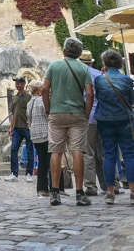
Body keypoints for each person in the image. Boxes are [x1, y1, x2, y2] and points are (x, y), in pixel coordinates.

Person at [42, 36, 93, 206]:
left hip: (56, 113)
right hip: (77, 114)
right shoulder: (84, 68)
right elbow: (90, 94)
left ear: (64, 51)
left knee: (55, 151)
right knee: (77, 151)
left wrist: (48, 110)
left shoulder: (54, 66)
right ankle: (79, 192)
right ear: (79, 53)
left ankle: (55, 192)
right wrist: (86, 113)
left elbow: (44, 89)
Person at [94, 49, 134, 206]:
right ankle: (132, 191)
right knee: (130, 155)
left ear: (105, 63)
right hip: (125, 120)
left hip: (105, 120)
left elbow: (98, 96)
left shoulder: (99, 80)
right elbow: (130, 100)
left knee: (109, 156)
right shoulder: (127, 80)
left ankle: (110, 192)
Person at [79, 50, 107, 196]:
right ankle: (111, 184)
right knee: (105, 153)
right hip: (102, 116)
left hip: (87, 117)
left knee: (88, 153)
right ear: (91, 61)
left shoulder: (79, 74)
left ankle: (91, 186)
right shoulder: (99, 75)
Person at [4, 77, 34, 183]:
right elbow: (12, 114)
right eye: (16, 82)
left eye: (18, 82)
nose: (16, 84)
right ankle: (14, 173)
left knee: (30, 151)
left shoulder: (29, 97)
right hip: (16, 128)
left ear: (23, 84)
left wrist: (29, 123)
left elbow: (32, 112)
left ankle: (29, 173)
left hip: (27, 128)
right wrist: (10, 127)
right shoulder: (14, 97)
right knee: (13, 149)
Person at [27, 80, 49, 196]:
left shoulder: (29, 102)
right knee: (50, 161)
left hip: (35, 134)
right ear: (40, 90)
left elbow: (29, 119)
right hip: (46, 133)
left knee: (41, 162)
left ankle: (41, 188)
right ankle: (55, 186)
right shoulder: (42, 100)